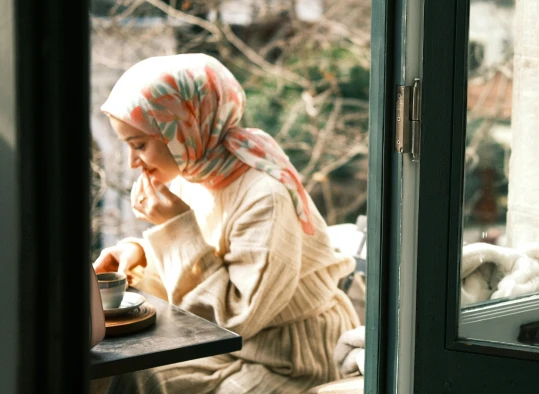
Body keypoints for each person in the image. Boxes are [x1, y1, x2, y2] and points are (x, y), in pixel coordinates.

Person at [91, 53, 360, 393]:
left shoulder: (265, 195)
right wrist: (139, 253)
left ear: (184, 129)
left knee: (141, 380)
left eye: (139, 145)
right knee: (124, 376)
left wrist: (172, 226)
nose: (132, 163)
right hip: (233, 348)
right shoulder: (193, 174)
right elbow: (207, 258)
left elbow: (236, 317)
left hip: (292, 358)